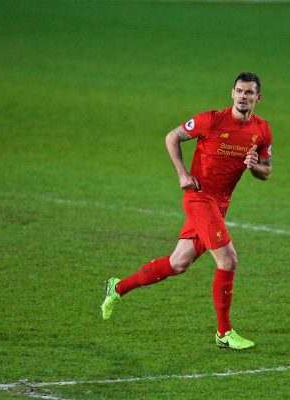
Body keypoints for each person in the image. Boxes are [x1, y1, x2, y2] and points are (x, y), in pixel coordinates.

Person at [101, 72, 272, 350]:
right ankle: (224, 333)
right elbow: (172, 137)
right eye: (239, 90)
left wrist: (254, 166)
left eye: (249, 92)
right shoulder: (212, 120)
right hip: (199, 198)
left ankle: (117, 288)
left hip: (220, 204)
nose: (243, 96)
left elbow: (266, 172)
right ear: (232, 93)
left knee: (178, 263)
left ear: (258, 98)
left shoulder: (262, 130)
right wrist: (182, 173)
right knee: (228, 260)